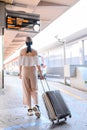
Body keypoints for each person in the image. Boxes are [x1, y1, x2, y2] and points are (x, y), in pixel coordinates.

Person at [18, 36, 44, 118]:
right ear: (31, 43)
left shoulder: (22, 51)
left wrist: (20, 73)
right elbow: (38, 64)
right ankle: (36, 105)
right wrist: (41, 73)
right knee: (34, 89)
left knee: (26, 90)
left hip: (25, 71)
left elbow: (20, 63)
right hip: (33, 71)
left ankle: (29, 110)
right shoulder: (35, 52)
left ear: (25, 43)